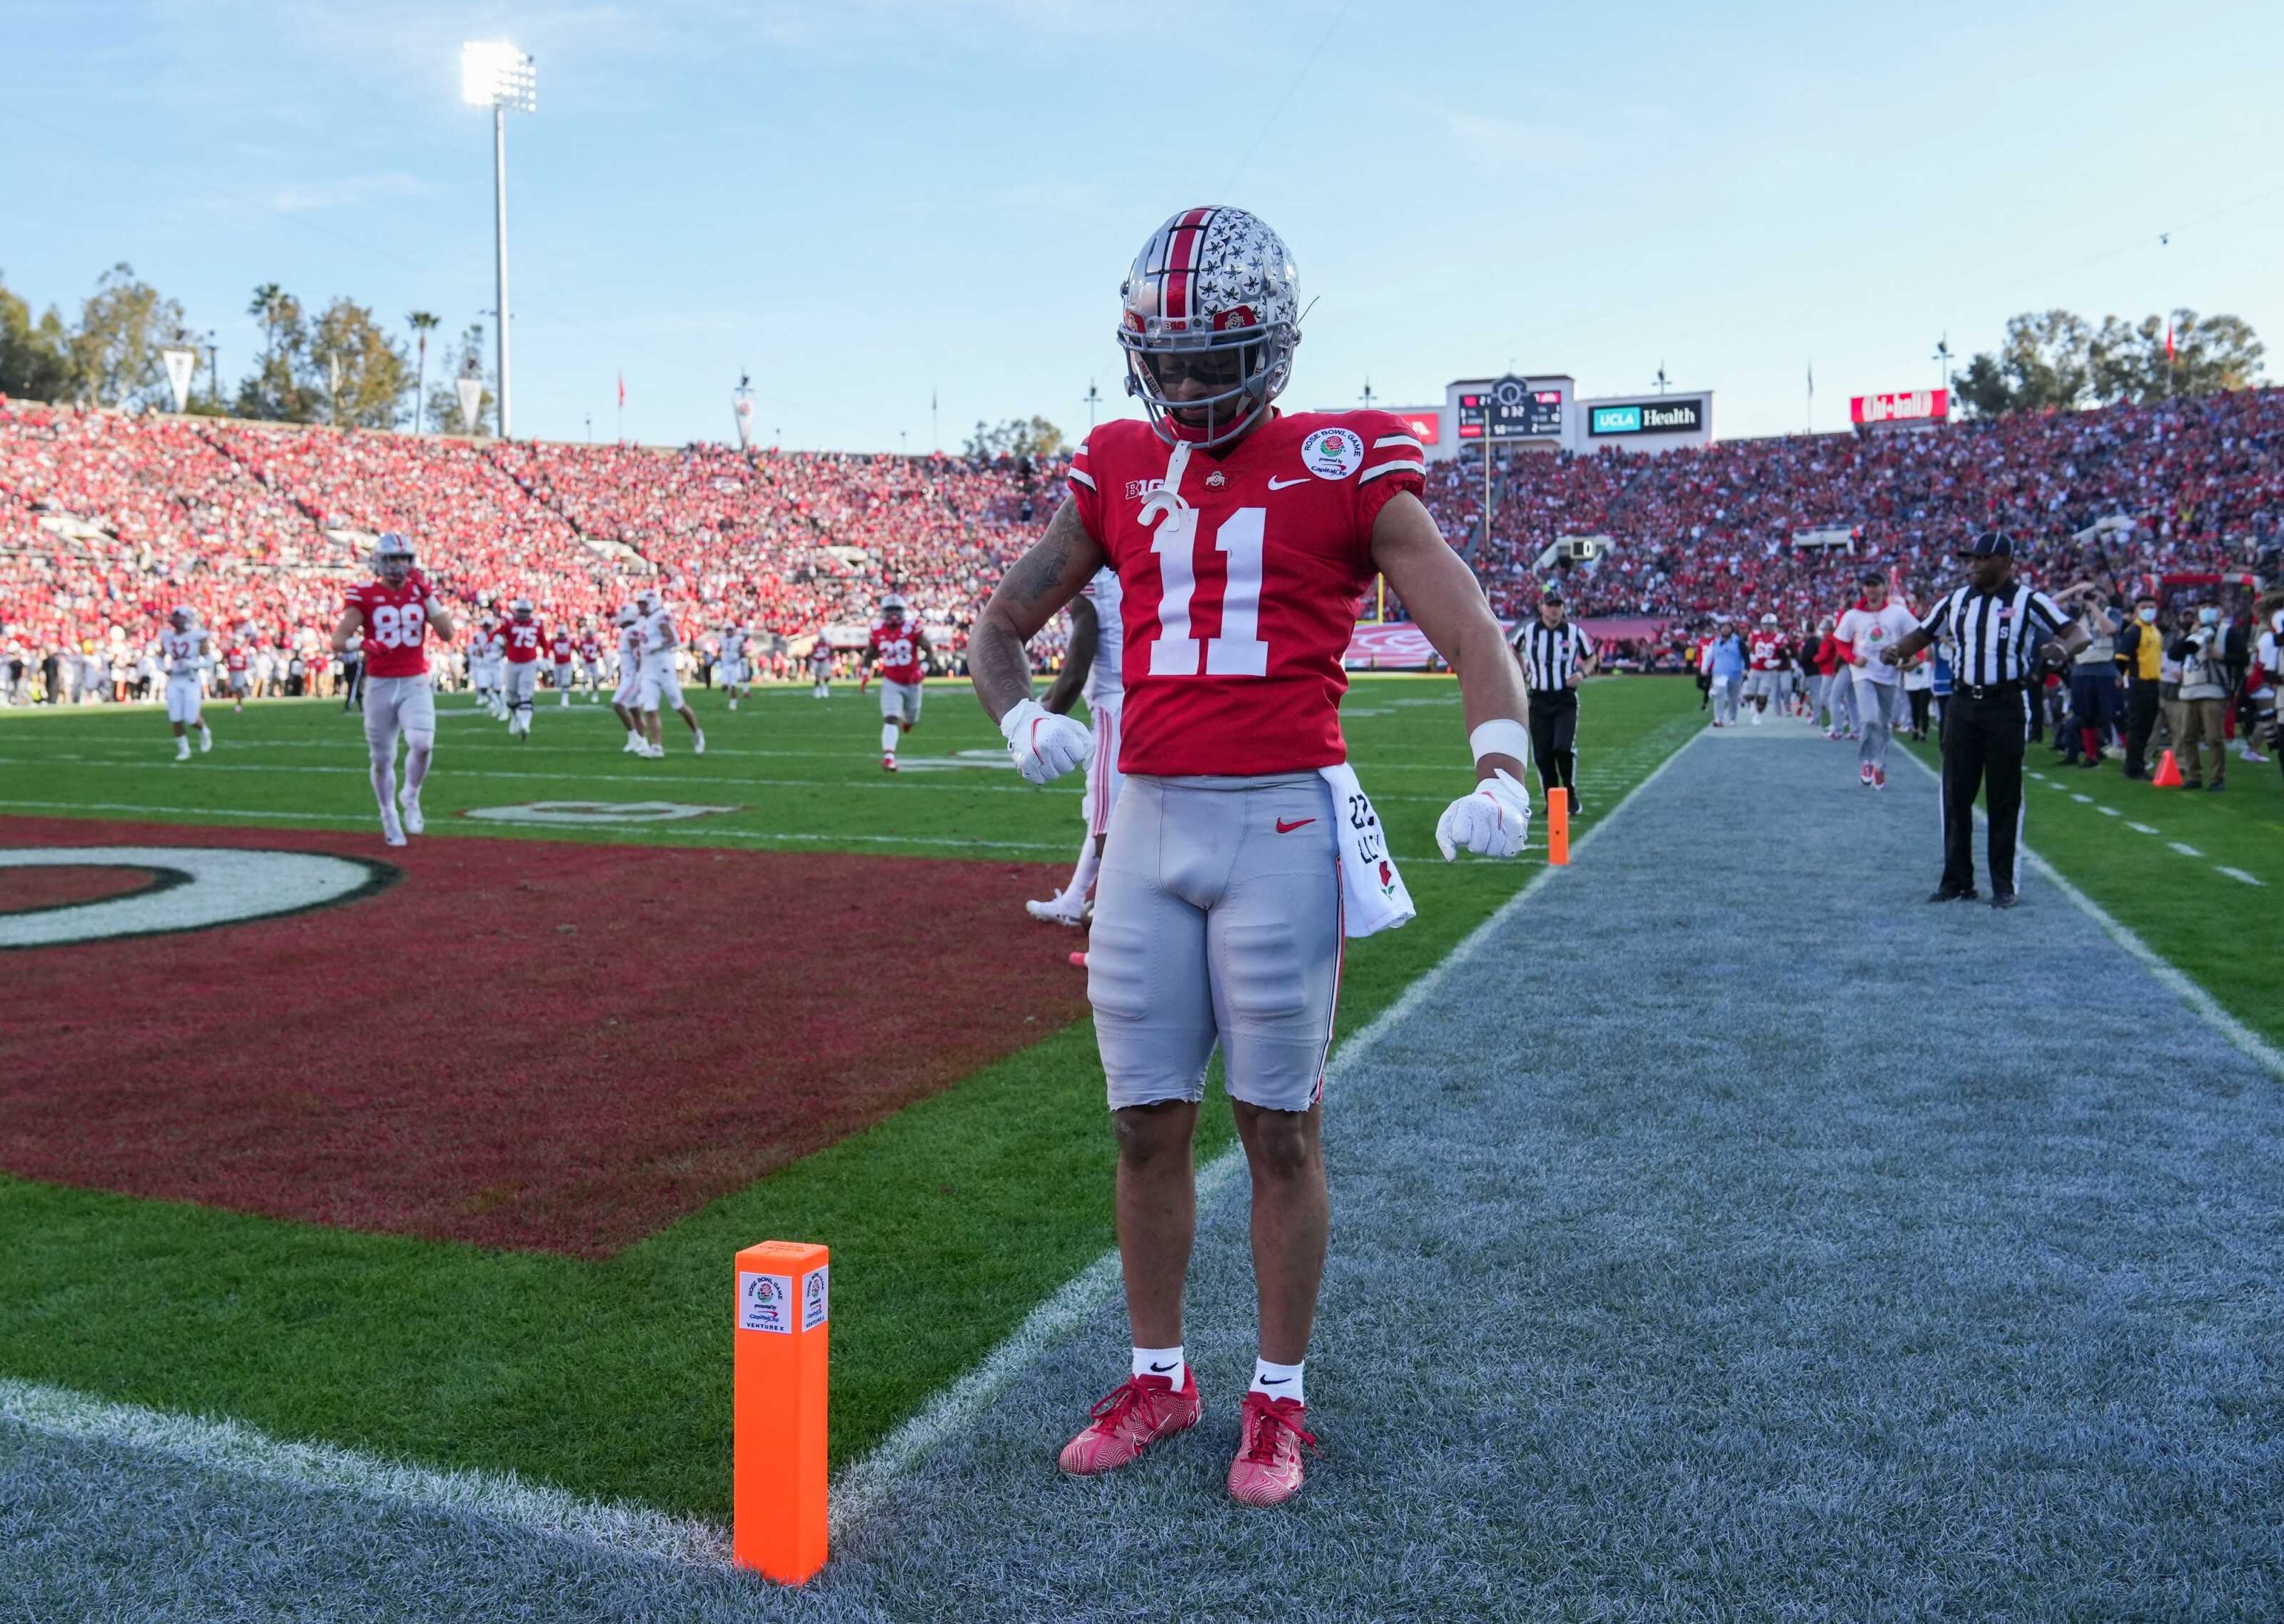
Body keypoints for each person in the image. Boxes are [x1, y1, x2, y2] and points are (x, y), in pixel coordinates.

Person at [966, 206, 1533, 1508]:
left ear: (1271, 348)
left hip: (1282, 818)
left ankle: (1278, 1399)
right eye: (1160, 358)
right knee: (1140, 1118)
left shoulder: (1345, 461)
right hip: (1153, 824)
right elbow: (1001, 622)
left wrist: (1503, 770)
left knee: (1280, 1130)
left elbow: (1473, 631)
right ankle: (1160, 1373)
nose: (1180, 385)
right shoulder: (1114, 462)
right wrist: (1016, 721)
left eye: (1205, 360)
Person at [1881, 531, 2086, 908]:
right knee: (1956, 793)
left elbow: (2077, 632)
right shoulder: (1956, 600)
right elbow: (1924, 633)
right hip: (1962, 705)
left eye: (1982, 558)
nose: (1972, 564)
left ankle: (2004, 884)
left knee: (2003, 796)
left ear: (2007, 563)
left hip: (2005, 703)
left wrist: (2061, 647)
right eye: (1970, 558)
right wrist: (1896, 649)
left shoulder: (2028, 600)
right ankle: (1957, 880)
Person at [333, 533, 455, 847]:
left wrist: (429, 596)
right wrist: (362, 643)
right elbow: (336, 641)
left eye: (403, 559)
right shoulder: (364, 594)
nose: (397, 566)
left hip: (415, 679)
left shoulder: (421, 593)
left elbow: (447, 634)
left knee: (422, 743)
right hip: (380, 684)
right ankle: (388, 815)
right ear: (379, 561)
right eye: (391, 559)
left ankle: (411, 795)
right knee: (382, 758)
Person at [1027, 565, 1124, 928]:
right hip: (1143, 703)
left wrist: (1037, 723)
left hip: (1116, 711)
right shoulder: (1123, 575)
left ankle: (1115, 920)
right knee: (1110, 815)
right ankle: (1072, 901)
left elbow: (1076, 673)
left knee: (1104, 824)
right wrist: (1041, 702)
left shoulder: (1091, 586)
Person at [1511, 586, 1594, 813]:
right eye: (1550, 605)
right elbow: (1513, 649)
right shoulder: (1529, 631)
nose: (1554, 610)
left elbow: (1591, 657)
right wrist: (1524, 672)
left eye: (1558, 606)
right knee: (1542, 754)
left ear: (1563, 609)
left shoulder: (1574, 633)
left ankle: (1569, 793)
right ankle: (1552, 801)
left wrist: (1582, 674)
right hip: (1538, 700)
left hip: (1564, 699)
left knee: (1563, 748)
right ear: (1542, 608)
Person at [1834, 569, 1916, 788]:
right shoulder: (1853, 615)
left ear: (1883, 588)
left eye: (1875, 584)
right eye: (1867, 585)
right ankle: (1867, 762)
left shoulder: (1898, 613)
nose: (1871, 589)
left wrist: (1914, 658)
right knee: (1869, 718)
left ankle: (1880, 765)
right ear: (1863, 589)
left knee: (1884, 724)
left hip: (1889, 673)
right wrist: (1853, 658)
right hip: (1863, 672)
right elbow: (1840, 641)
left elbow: (1918, 635)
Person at [862, 594, 932, 771]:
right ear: (883, 612)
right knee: (890, 718)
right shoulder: (877, 630)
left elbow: (929, 652)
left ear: (903, 612)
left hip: (912, 682)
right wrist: (865, 674)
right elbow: (870, 654)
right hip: (891, 682)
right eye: (889, 610)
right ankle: (889, 757)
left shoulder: (913, 627)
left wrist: (921, 670)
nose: (893, 614)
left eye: (897, 610)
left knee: (911, 718)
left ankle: (908, 722)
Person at [636, 588, 706, 757]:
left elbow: (673, 639)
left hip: (663, 663)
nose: (640, 607)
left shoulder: (661, 617)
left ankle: (697, 732)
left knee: (678, 705)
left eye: (643, 604)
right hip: (649, 665)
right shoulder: (643, 620)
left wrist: (654, 645)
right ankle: (656, 747)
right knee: (650, 707)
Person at [2173, 604, 2231, 792]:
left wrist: (2221, 656)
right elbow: (2175, 653)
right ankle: (2193, 776)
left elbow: (2242, 659)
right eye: (2204, 608)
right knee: (2187, 737)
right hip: (2189, 691)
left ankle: (2217, 778)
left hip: (2213, 691)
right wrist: (2189, 634)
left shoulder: (2227, 632)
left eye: (2211, 607)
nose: (2207, 611)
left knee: (2214, 737)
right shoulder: (2192, 632)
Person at [2117, 591, 2164, 779]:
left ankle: (2137, 764)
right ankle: (2133, 767)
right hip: (2139, 683)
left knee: (2146, 726)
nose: (2148, 611)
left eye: (2151, 607)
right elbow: (2121, 658)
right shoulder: (2134, 631)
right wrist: (2123, 678)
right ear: (2136, 611)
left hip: (2153, 682)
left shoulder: (2154, 630)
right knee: (2138, 727)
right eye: (2144, 608)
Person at [158, 607, 213, 761]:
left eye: (180, 618)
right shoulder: (168, 637)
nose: (177, 621)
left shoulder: (198, 637)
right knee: (175, 717)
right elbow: (160, 657)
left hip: (191, 680)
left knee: (191, 718)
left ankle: (204, 731)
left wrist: (192, 664)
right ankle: (184, 750)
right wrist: (164, 669)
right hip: (174, 680)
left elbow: (209, 661)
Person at [498, 599, 546, 739]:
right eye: (521, 611)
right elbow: (496, 635)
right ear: (516, 611)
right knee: (511, 695)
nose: (524, 614)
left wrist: (547, 656)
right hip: (512, 663)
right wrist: (495, 643)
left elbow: (544, 642)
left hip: (529, 664)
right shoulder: (509, 623)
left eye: (526, 612)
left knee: (526, 694)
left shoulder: (537, 625)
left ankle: (526, 724)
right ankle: (515, 718)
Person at [610, 604, 648, 753]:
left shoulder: (631, 631)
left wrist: (639, 674)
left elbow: (638, 652)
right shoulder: (629, 630)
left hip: (632, 676)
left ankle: (635, 738)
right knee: (635, 710)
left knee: (618, 704)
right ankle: (641, 741)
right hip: (630, 674)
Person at [1704, 615, 1744, 727]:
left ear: (1731, 630)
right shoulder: (1715, 643)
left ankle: (1733, 718)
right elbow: (1709, 656)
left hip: (1734, 673)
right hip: (1719, 673)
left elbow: (1745, 656)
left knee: (1733, 697)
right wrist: (1704, 667)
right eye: (1723, 628)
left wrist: (1745, 669)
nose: (1725, 630)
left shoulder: (1738, 642)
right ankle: (1718, 719)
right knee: (1719, 696)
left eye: (1728, 628)